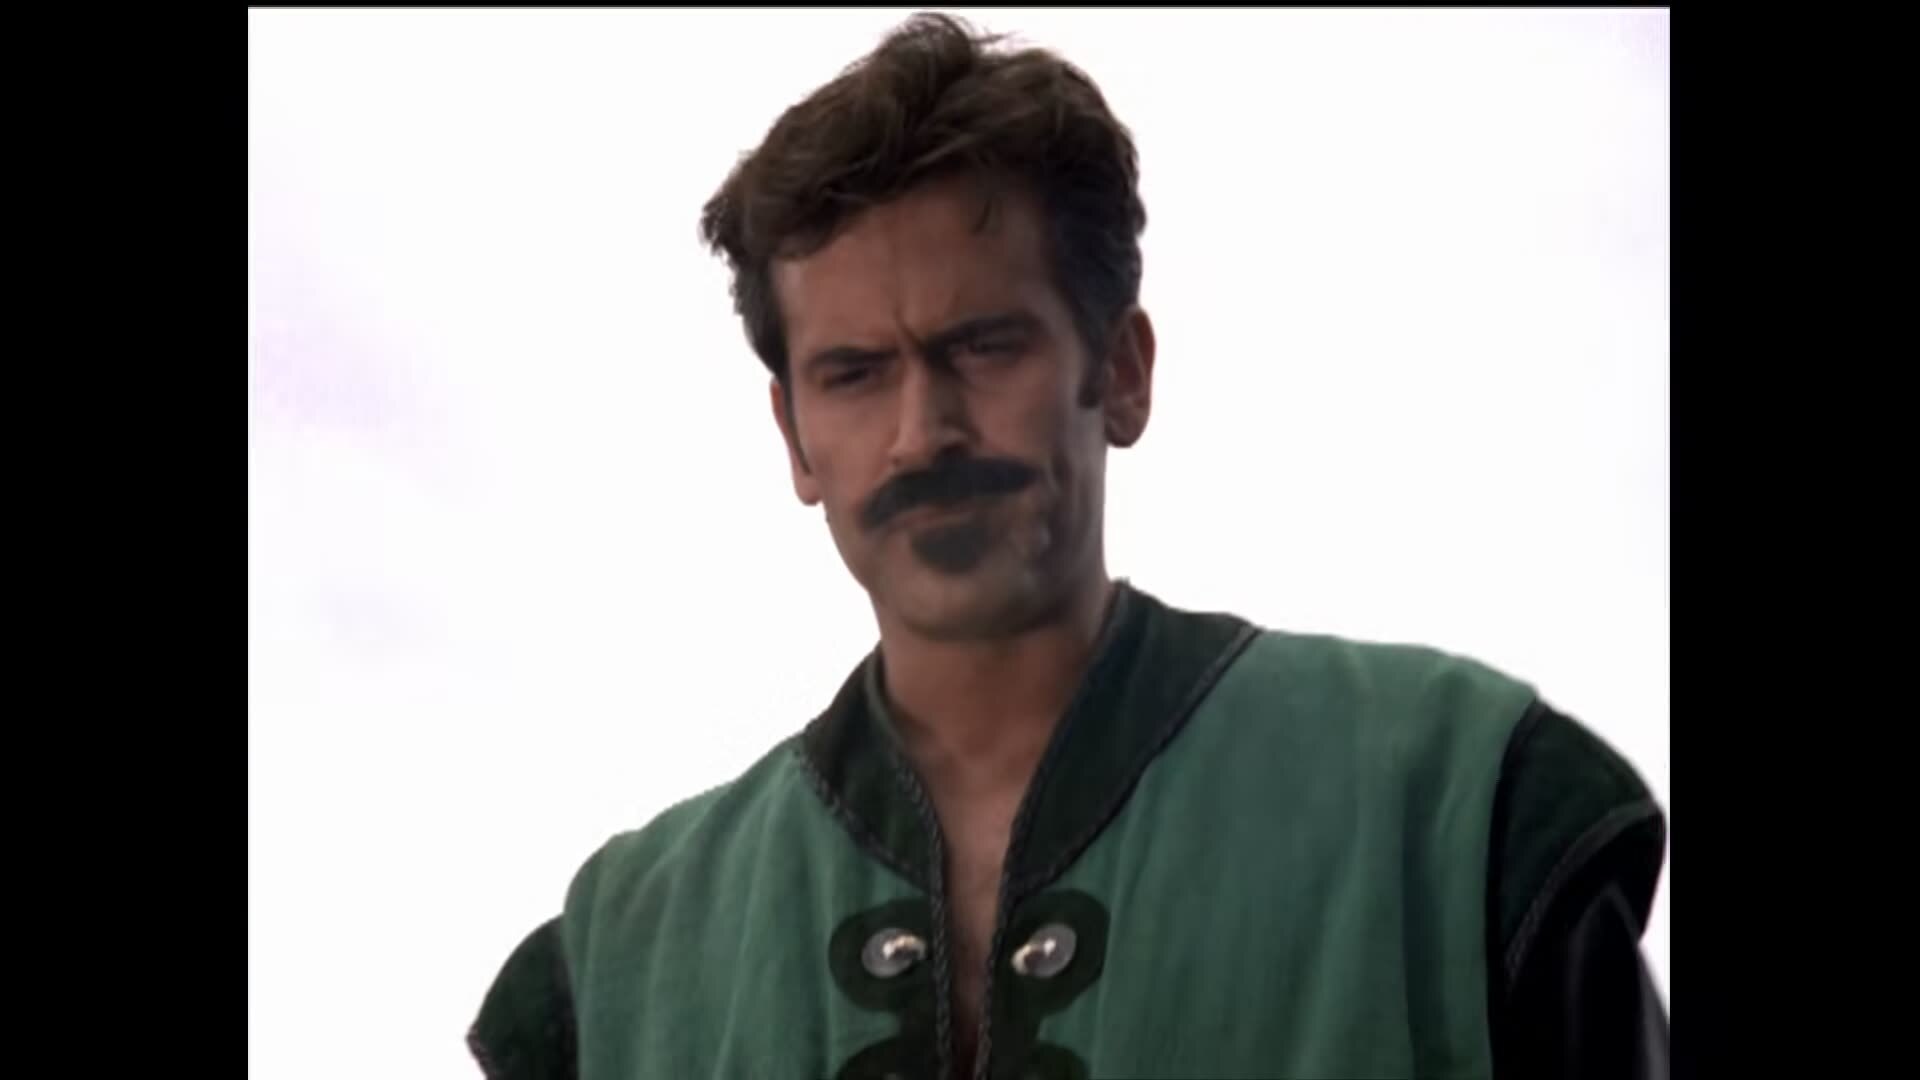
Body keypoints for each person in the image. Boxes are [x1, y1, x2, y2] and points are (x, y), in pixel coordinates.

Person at [470, 13, 1669, 1079]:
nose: (921, 433)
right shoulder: (617, 969)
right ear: (795, 437)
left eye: (984, 347)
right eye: (854, 374)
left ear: (1123, 372)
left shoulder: (1455, 813)